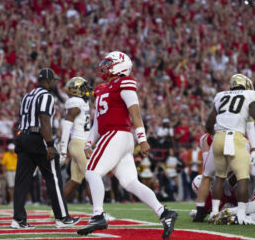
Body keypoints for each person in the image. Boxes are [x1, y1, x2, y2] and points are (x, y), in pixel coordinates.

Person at [77, 51, 178, 239]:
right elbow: (98, 120)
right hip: (115, 136)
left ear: (120, 65)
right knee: (130, 182)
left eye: (109, 63)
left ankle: (98, 214)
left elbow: (135, 112)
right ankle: (164, 213)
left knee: (91, 172)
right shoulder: (100, 89)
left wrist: (142, 138)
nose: (104, 66)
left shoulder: (125, 82)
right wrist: (88, 143)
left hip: (118, 133)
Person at [11, 68, 79, 229]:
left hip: (22, 137)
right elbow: (44, 120)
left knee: (21, 180)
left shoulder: (27, 96)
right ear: (47, 81)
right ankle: (62, 217)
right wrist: (49, 145)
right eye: (53, 81)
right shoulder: (46, 96)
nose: (54, 83)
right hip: (37, 138)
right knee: (53, 178)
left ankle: (18, 219)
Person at [205, 73, 255, 225]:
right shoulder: (250, 95)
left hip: (219, 137)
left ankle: (214, 212)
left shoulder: (221, 95)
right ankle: (241, 215)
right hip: (235, 137)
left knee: (219, 177)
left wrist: (215, 135)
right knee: (243, 178)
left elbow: (209, 123)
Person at [60, 77, 92, 201]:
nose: (86, 90)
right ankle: (99, 213)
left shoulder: (83, 102)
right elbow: (66, 126)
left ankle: (56, 210)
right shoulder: (75, 102)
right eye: (83, 88)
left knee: (75, 180)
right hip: (79, 144)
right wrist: (63, 149)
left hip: (80, 144)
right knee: (92, 177)